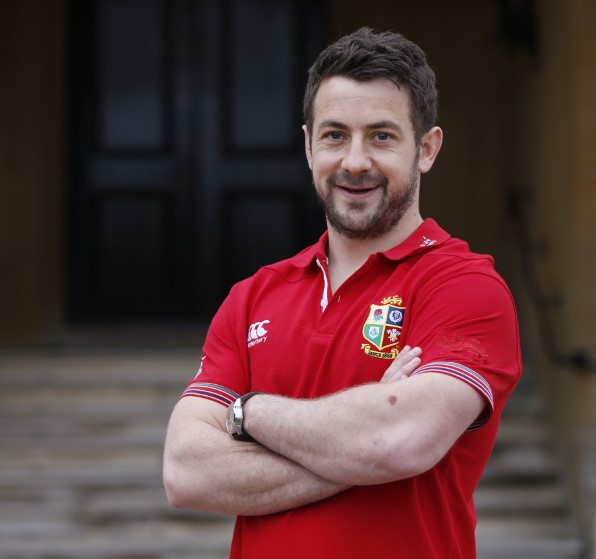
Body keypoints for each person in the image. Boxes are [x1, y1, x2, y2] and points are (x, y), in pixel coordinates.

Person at [163, 27, 521, 558]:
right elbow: (186, 473)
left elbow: (400, 441)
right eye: (334, 136)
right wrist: (361, 444)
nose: (354, 161)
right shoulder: (252, 297)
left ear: (426, 149)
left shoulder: (465, 287)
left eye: (381, 136)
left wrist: (246, 413)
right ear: (308, 146)